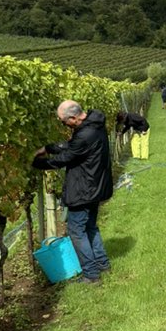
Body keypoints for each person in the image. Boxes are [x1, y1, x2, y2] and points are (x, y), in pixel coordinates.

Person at [33, 100, 113, 283]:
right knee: (90, 226)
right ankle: (102, 264)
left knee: (76, 231)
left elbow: (65, 158)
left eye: (63, 122)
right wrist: (49, 147)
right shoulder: (94, 124)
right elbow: (73, 146)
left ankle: (91, 275)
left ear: (73, 118)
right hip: (95, 186)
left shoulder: (85, 134)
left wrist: (37, 162)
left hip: (84, 190)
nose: (63, 125)